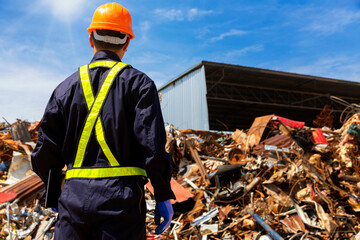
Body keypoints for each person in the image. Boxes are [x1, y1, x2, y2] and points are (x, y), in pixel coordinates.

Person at [31, 2, 174, 239]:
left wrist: (55, 192)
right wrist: (161, 193)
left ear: (91, 39)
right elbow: (152, 145)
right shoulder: (139, 84)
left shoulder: (64, 88)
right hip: (122, 202)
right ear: (127, 42)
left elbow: (44, 150)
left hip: (73, 201)